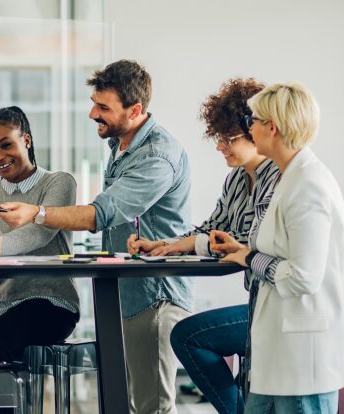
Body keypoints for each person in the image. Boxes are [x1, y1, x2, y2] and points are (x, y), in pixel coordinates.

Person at [0, 59, 193, 414]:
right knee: (128, 404)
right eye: (94, 102)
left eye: (103, 107)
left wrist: (36, 212)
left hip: (155, 298)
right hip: (126, 296)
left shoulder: (157, 156)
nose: (92, 114)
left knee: (153, 408)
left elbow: (100, 214)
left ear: (135, 110)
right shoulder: (122, 145)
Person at [127, 78, 280, 414]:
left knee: (187, 336)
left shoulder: (277, 177)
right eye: (218, 138)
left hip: (279, 308)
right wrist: (165, 246)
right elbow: (215, 231)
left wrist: (215, 244)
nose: (220, 146)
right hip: (259, 303)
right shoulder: (238, 179)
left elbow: (246, 243)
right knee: (187, 336)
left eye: (228, 138)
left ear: (255, 132)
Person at [212, 81, 344, 413]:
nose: (248, 127)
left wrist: (250, 257)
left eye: (252, 120)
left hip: (303, 358)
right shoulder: (291, 177)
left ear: (272, 127)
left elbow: (303, 277)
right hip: (280, 353)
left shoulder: (308, 185)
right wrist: (245, 253)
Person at [0, 106, 80, 369]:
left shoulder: (58, 183)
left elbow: (38, 234)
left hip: (51, 301)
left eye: (6, 145)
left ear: (27, 141)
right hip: (0, 305)